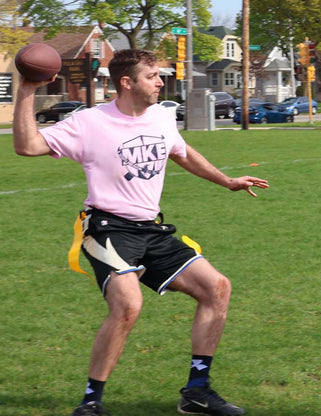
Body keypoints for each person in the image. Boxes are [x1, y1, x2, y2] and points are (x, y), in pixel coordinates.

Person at [13, 49, 269, 416]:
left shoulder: (163, 117)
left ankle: (197, 392)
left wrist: (227, 181)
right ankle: (91, 402)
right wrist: (27, 87)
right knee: (129, 305)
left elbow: (182, 152)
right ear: (127, 82)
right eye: (152, 76)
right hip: (107, 228)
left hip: (150, 228)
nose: (161, 82)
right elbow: (27, 146)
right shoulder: (88, 122)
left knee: (217, 288)